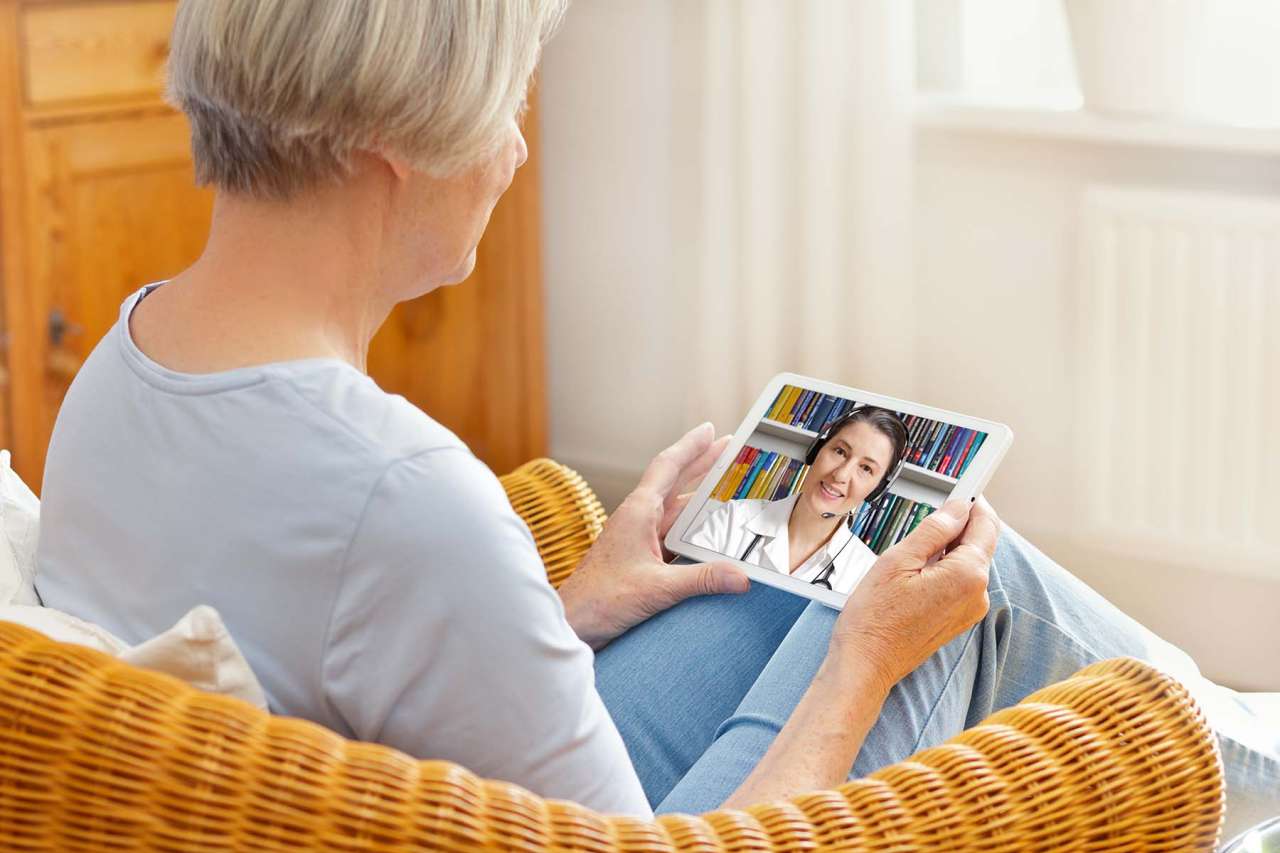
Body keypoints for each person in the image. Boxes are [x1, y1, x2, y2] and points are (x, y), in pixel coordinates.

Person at [31, 0, 1275, 836]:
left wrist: (565, 610)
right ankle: (1249, 765)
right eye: (507, 103)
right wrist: (865, 666)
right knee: (951, 595)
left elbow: (323, 663)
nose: (516, 153)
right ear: (390, 149)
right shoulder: (401, 492)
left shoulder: (125, 362)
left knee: (818, 570)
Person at [686, 406, 908, 594]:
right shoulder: (733, 519)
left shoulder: (867, 575)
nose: (840, 475)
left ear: (878, 489)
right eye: (840, 452)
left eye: (866, 468)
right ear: (816, 450)